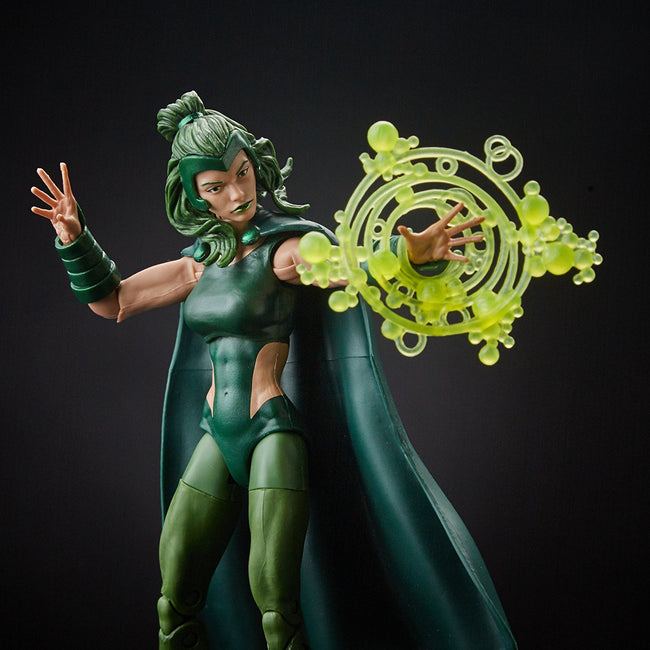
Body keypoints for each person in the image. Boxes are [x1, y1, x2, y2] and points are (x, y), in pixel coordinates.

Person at [31, 91, 515, 650]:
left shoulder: (282, 250)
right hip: (217, 434)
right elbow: (114, 301)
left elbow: (340, 265)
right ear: (193, 194)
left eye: (242, 174)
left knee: (275, 604)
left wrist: (408, 253)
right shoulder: (199, 264)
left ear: (255, 166)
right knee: (175, 593)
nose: (237, 194)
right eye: (216, 186)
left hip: (270, 432)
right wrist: (75, 239)